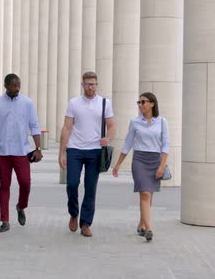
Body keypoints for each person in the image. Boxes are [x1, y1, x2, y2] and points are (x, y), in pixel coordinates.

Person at [58, 71, 116, 237]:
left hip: (95, 151)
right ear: (82, 85)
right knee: (72, 184)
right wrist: (62, 153)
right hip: (75, 149)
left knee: (90, 188)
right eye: (87, 84)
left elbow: (112, 125)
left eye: (93, 84)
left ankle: (85, 223)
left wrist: (108, 138)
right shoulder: (74, 103)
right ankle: (74, 213)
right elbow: (67, 127)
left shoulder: (104, 103)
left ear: (96, 85)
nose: (90, 87)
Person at [0, 73, 43, 233]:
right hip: (2, 152)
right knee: (4, 186)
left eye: (18, 85)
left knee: (25, 183)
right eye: (13, 85)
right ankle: (4, 220)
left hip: (22, 151)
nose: (17, 88)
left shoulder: (27, 103)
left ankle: (20, 206)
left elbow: (35, 126)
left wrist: (38, 148)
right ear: (6, 86)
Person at [112, 92, 170, 242]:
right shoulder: (135, 122)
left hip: (155, 160)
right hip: (139, 160)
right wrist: (117, 164)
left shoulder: (162, 122)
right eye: (138, 102)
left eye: (143, 102)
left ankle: (141, 224)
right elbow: (127, 144)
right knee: (144, 193)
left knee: (149, 195)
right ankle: (149, 229)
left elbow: (166, 145)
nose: (140, 105)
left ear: (152, 104)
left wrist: (162, 166)